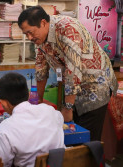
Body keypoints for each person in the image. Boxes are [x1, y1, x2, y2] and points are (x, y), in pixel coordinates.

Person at [18, 6, 118, 141]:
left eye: (30, 32)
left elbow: (73, 70)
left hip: (96, 86)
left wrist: (68, 107)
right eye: (26, 34)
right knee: (72, 133)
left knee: (87, 140)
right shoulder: (40, 37)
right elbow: (41, 69)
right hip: (74, 88)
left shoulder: (68, 28)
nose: (29, 37)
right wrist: (38, 100)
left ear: (43, 23)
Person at [0, 72, 65, 167]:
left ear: (4, 102)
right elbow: (60, 120)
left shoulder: (6, 128)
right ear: (28, 94)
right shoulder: (50, 111)